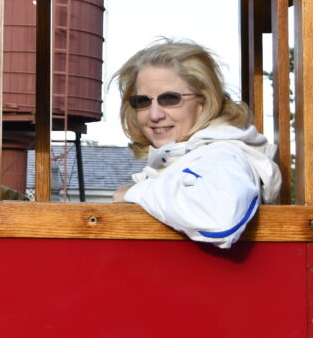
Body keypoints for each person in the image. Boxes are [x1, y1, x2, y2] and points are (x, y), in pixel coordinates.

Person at [110, 39, 281, 248]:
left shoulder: (223, 154)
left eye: (170, 99)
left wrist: (136, 192)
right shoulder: (189, 155)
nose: (154, 115)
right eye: (143, 101)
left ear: (204, 102)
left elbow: (221, 219)